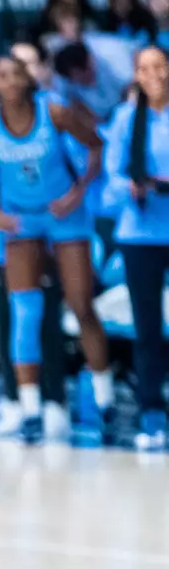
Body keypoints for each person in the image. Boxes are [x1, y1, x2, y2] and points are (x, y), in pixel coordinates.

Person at [0, 54, 110, 444]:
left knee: (80, 303)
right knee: (25, 310)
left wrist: (78, 193)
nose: (9, 83)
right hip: (20, 219)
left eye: (15, 75)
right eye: (1, 77)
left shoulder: (55, 112)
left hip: (63, 214)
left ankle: (104, 395)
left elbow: (96, 146)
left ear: (28, 80)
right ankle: (28, 408)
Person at [102, 46, 169, 450]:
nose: (154, 75)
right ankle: (151, 410)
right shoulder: (126, 119)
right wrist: (129, 188)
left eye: (160, 66)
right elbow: (111, 178)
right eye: (144, 68)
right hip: (140, 233)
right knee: (147, 327)